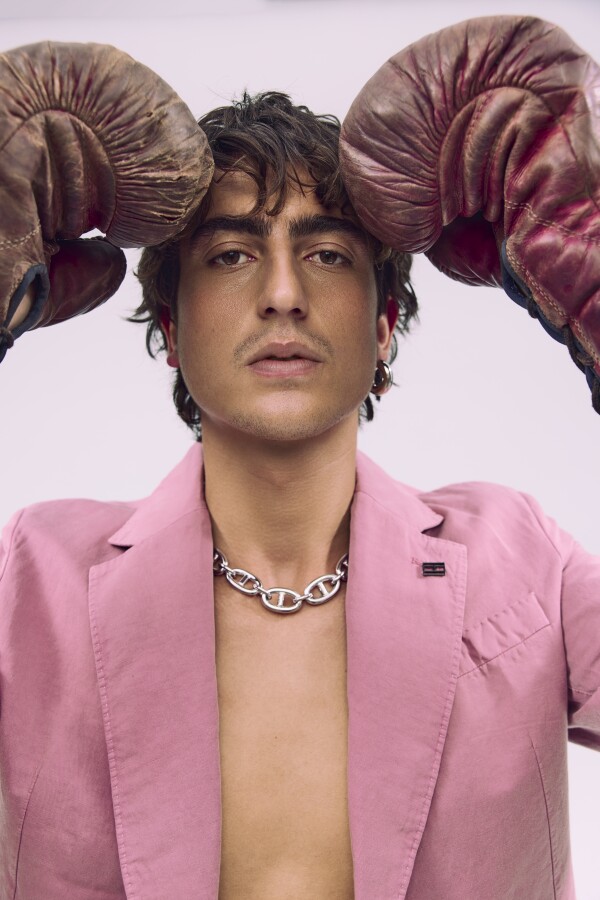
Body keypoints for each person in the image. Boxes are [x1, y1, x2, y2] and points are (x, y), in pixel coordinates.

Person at [1, 18, 599, 900]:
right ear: (171, 330)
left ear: (384, 323)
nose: (283, 294)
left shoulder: (524, 561)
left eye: (326, 254)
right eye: (231, 255)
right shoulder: (28, 585)